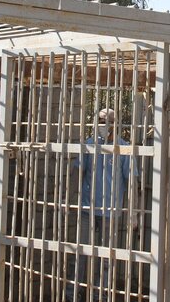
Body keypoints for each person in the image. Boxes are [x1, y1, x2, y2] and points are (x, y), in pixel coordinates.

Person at [65, 108, 138, 302]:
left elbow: (132, 183)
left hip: (111, 211)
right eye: (100, 120)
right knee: (79, 253)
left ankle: (101, 295)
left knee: (107, 257)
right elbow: (77, 173)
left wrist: (134, 212)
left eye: (108, 121)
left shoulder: (124, 148)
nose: (104, 124)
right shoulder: (89, 145)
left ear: (116, 124)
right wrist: (69, 200)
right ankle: (72, 294)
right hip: (87, 208)